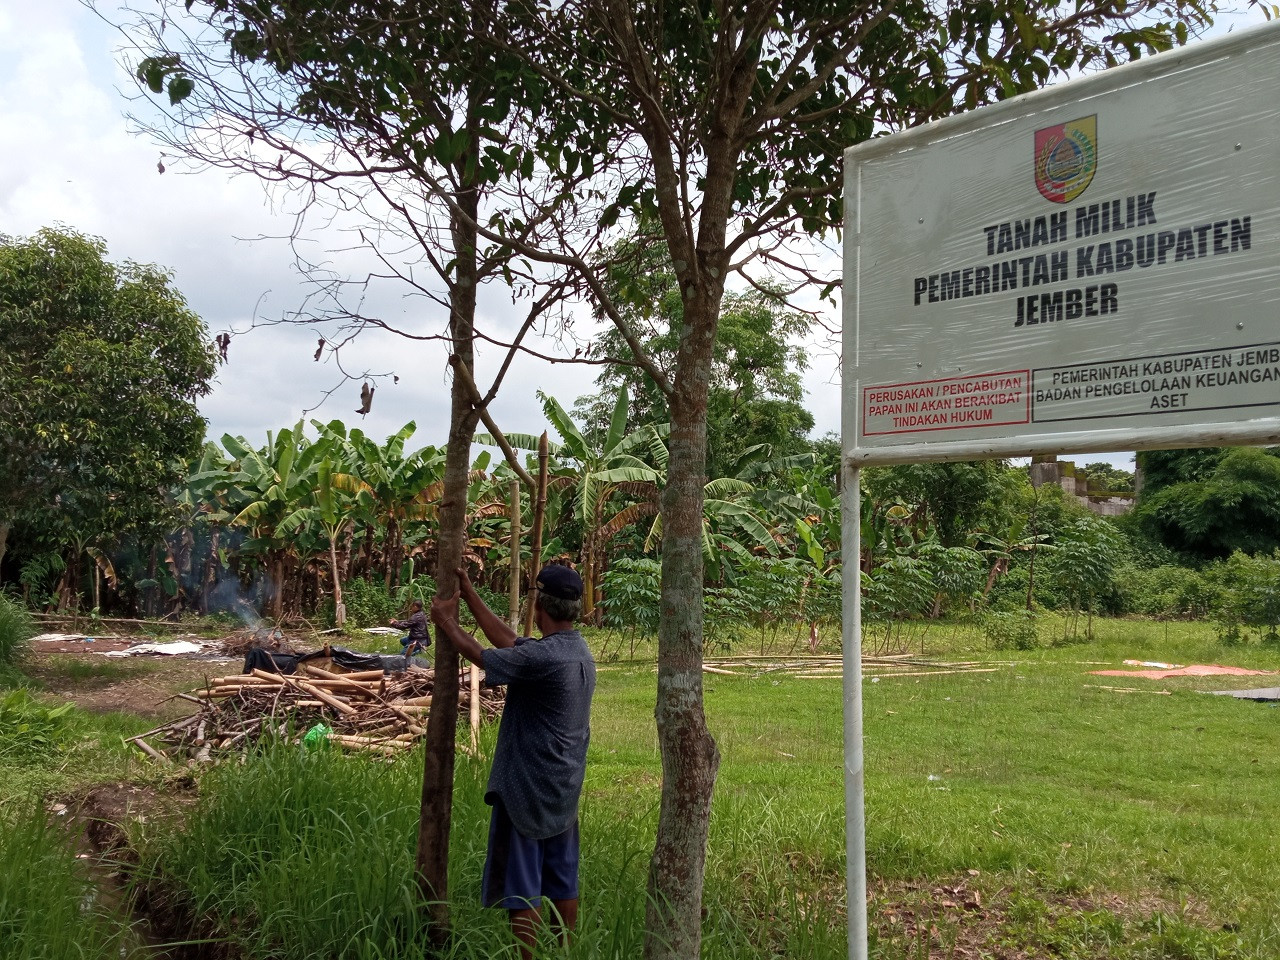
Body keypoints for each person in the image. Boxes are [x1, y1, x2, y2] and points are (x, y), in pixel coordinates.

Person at [429, 564, 596, 960]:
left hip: (529, 789)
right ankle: (564, 952)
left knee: (523, 884)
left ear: (539, 604)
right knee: (562, 877)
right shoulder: (575, 650)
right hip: (563, 786)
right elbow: (512, 644)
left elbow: (484, 655)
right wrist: (469, 595)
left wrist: (446, 623)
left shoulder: (545, 659)